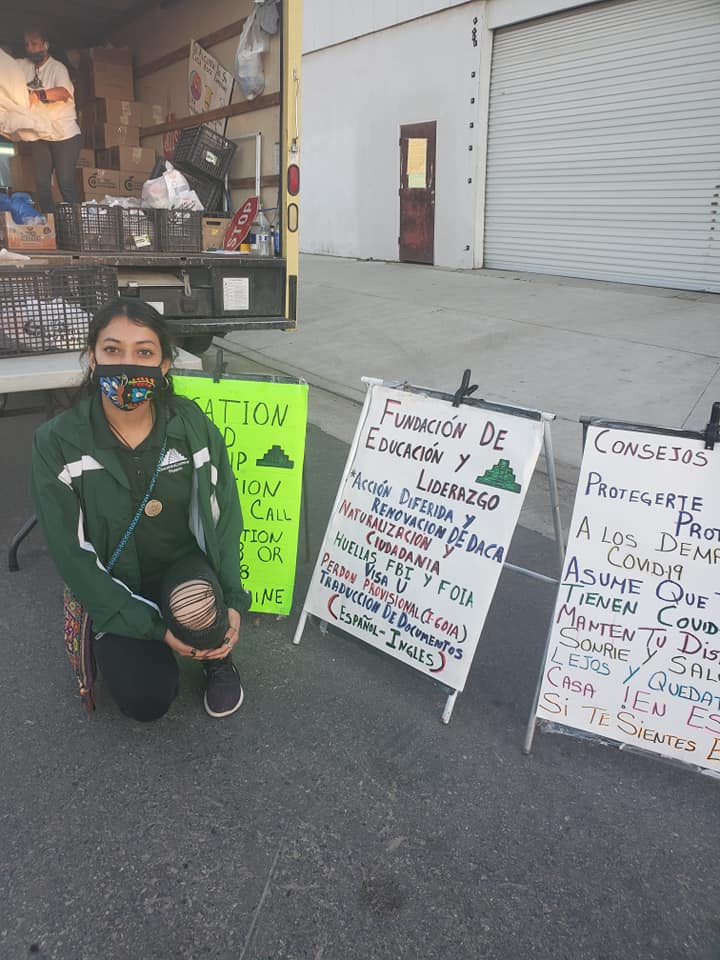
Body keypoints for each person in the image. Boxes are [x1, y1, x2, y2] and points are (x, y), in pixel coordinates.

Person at [31, 299, 251, 721]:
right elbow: (70, 555)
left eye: (144, 352)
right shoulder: (56, 442)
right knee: (146, 701)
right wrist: (155, 630)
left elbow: (224, 516)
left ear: (165, 364)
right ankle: (132, 629)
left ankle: (212, 652)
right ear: (92, 357)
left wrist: (233, 603)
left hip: (182, 570)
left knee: (199, 611)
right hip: (115, 578)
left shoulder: (189, 424)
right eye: (112, 350)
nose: (127, 364)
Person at [17, 26, 81, 212]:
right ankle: (50, 229)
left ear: (45, 45)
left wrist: (38, 94)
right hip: (41, 134)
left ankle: (75, 230)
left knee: (65, 184)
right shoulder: (24, 66)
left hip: (65, 135)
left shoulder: (57, 68)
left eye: (34, 44)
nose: (30, 48)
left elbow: (63, 92)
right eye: (27, 44)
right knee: (42, 184)